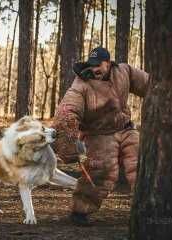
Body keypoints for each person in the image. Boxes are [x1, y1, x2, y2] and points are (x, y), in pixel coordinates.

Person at [51, 47, 149, 225]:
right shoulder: (81, 84)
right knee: (100, 171)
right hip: (98, 135)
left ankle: (150, 209)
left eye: (99, 65)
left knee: (142, 164)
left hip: (126, 128)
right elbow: (67, 111)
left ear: (108, 63)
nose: (95, 69)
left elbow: (150, 85)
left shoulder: (124, 71)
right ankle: (80, 212)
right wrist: (67, 144)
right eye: (92, 65)